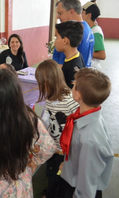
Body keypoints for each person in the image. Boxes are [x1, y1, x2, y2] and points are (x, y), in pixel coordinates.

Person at [0, 68, 56, 197]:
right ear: (17, 92)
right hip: (20, 182)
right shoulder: (29, 119)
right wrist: (35, 161)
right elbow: (49, 147)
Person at [58, 68, 113, 198]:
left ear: (78, 95)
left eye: (74, 85)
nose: (72, 87)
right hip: (72, 176)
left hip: (78, 189)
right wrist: (68, 165)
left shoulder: (89, 140)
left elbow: (86, 186)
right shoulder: (86, 116)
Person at [34, 59, 79, 198]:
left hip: (66, 153)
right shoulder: (50, 98)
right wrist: (38, 140)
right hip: (54, 149)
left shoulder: (70, 101)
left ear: (49, 82)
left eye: (41, 84)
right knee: (51, 174)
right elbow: (46, 122)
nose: (40, 87)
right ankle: (50, 192)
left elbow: (78, 133)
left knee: (62, 181)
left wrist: (68, 159)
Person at [52, 0, 95, 67]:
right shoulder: (87, 28)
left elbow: (61, 66)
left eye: (60, 13)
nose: (57, 17)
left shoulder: (70, 33)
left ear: (71, 12)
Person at [54, 21, 85, 89]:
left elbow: (74, 93)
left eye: (57, 38)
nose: (54, 43)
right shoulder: (77, 55)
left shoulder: (73, 67)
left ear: (65, 41)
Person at [82, 1, 106, 69]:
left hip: (92, 68)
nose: (80, 15)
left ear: (88, 15)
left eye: (82, 12)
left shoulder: (96, 31)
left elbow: (102, 55)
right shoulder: (88, 29)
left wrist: (82, 52)